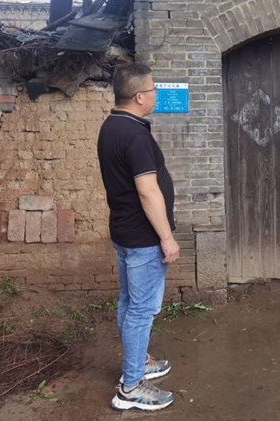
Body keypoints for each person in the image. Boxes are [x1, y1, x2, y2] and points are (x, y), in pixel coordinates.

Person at [97, 63, 180, 410]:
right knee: (141, 311)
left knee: (129, 303)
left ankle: (139, 362)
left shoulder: (111, 126)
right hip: (144, 238)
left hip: (125, 231)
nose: (156, 95)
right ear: (139, 97)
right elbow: (148, 192)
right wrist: (167, 238)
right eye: (153, 89)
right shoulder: (134, 135)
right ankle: (130, 387)